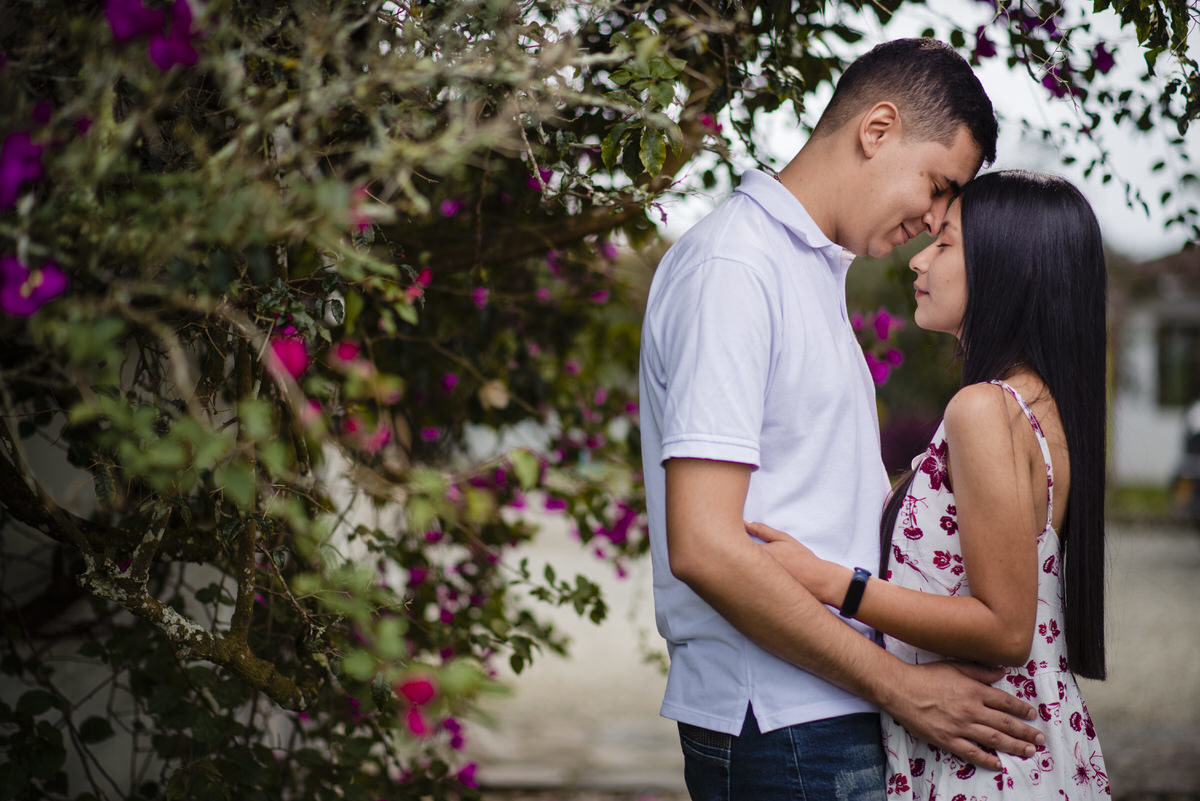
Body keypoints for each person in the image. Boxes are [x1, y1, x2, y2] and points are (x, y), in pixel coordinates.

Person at [639, 38, 1043, 799]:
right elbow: (705, 545)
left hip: (825, 708)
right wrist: (901, 685)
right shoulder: (736, 268)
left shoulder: (805, 270)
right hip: (785, 720)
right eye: (938, 186)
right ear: (878, 129)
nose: (934, 218)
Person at [750, 170, 1110, 798]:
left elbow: (1005, 629)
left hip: (986, 760)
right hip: (1030, 749)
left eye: (946, 243)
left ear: (1014, 267)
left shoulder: (985, 410)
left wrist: (831, 582)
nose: (919, 259)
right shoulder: (1045, 407)